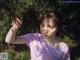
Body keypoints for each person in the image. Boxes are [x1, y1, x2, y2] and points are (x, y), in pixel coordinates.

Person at [5, 11, 71, 60]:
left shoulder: (63, 48)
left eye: (50, 27)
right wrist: (14, 28)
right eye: (42, 26)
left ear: (58, 28)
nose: (45, 30)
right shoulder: (34, 38)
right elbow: (9, 40)